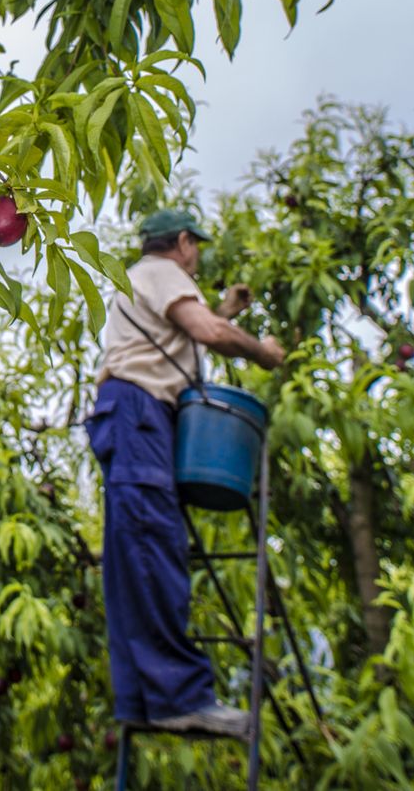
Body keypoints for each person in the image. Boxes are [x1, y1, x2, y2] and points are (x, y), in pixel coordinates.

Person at [83, 209, 286, 738]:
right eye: (195, 246)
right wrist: (262, 352)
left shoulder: (142, 280)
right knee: (154, 547)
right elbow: (208, 331)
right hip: (140, 414)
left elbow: (185, 332)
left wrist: (225, 309)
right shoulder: (162, 271)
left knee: (135, 556)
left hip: (131, 415)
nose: (196, 258)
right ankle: (179, 696)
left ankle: (142, 698)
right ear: (181, 242)